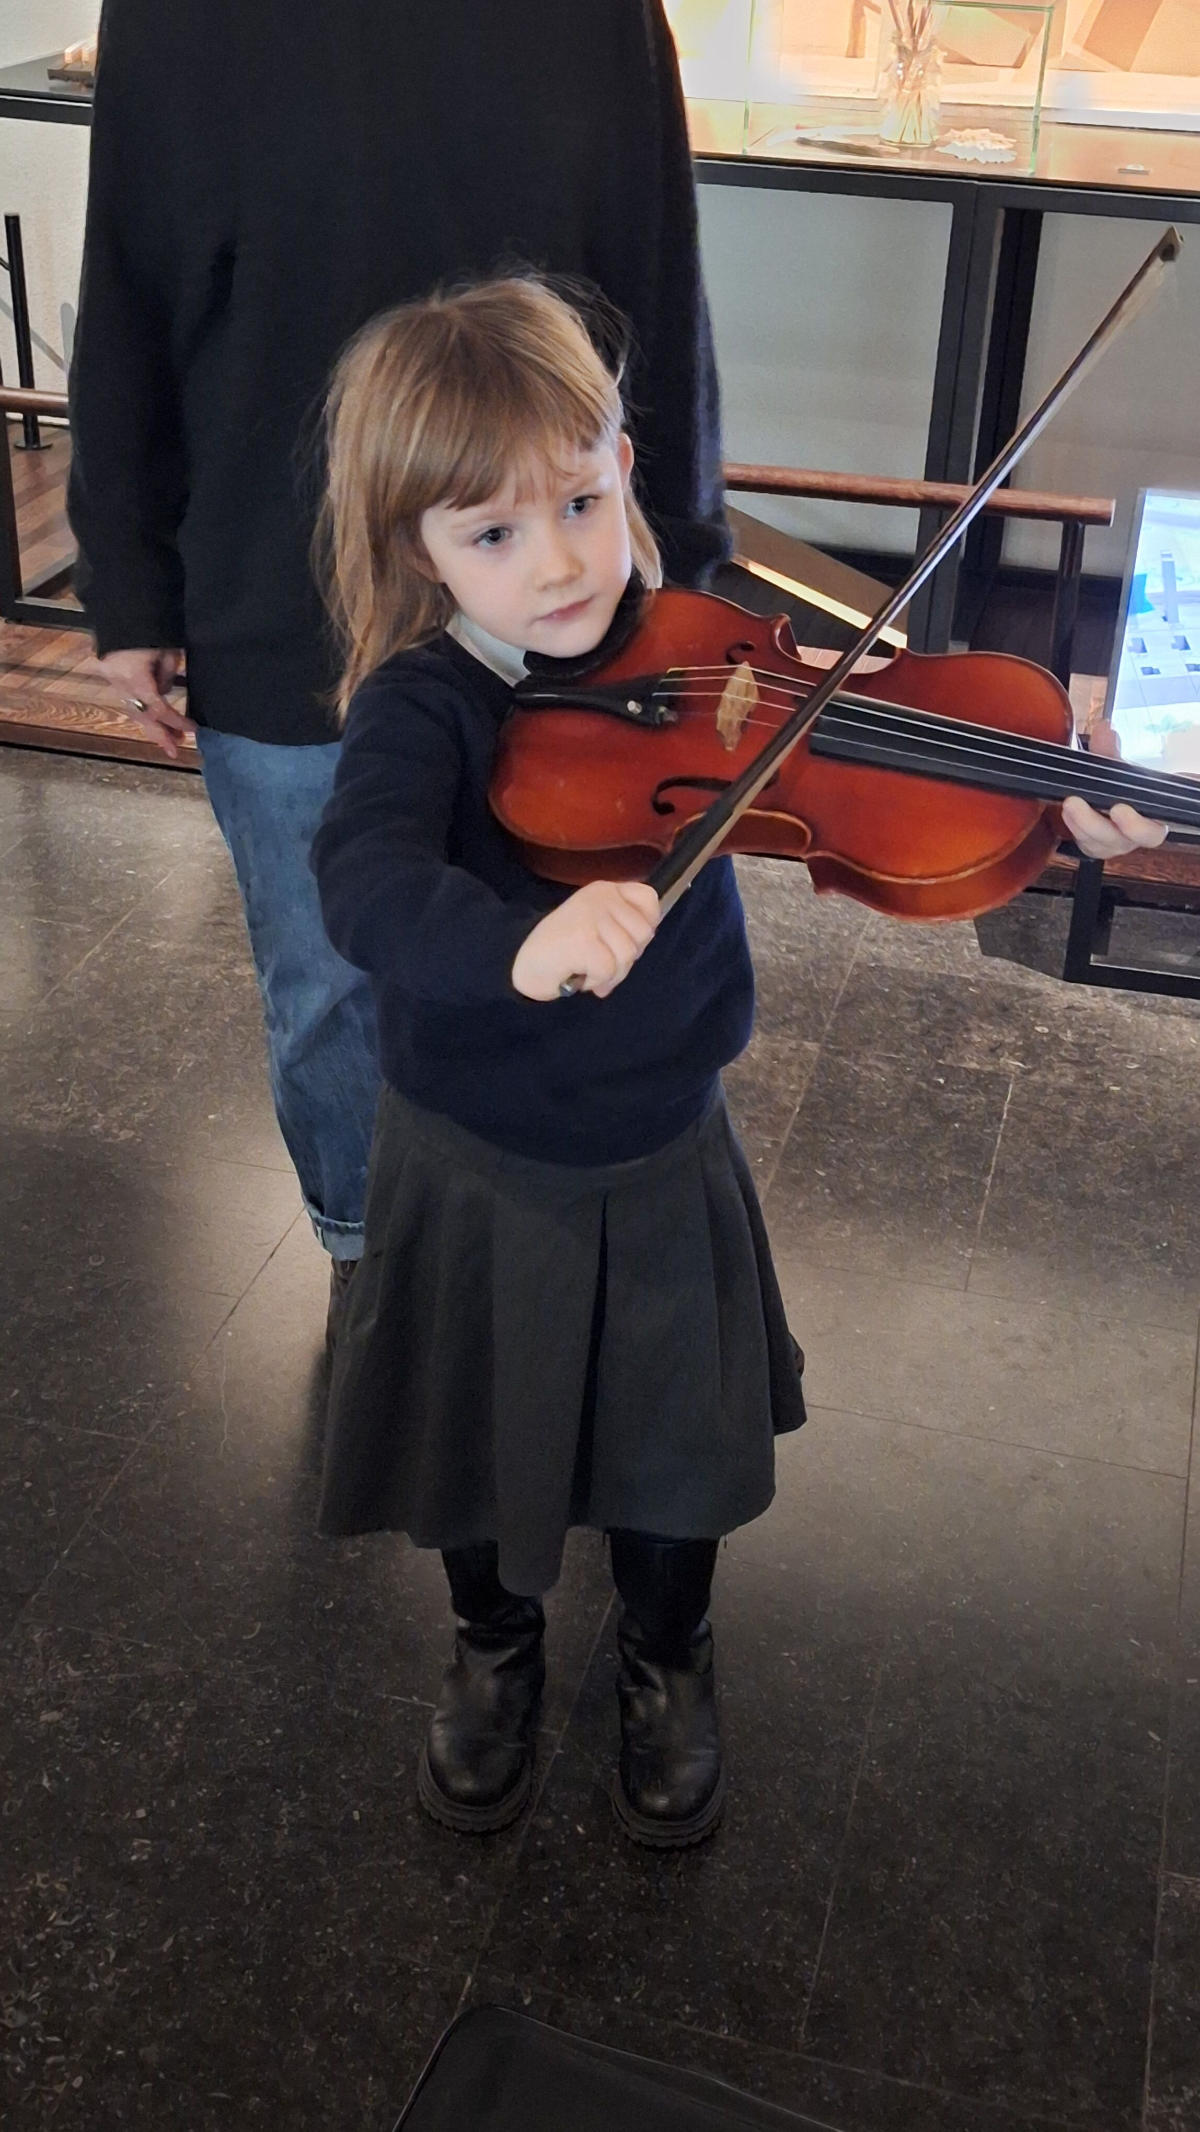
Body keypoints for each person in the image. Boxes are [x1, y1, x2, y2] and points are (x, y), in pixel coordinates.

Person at [309, 277, 1166, 1849]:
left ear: (626, 464)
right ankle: (493, 1644)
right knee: (480, 1440)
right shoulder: (427, 706)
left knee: (674, 1450)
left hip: (658, 1142)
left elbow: (894, 742)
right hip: (477, 1155)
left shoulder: (706, 650)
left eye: (582, 501)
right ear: (416, 549)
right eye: (493, 534)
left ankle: (668, 1652)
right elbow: (362, 880)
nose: (558, 563)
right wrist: (515, 944)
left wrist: (1059, 792)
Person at [66, 0, 728, 1343]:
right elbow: (130, 294)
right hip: (279, 576)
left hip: (565, 608)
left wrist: (686, 574)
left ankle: (555, 1287)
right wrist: (128, 580)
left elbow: (660, 288)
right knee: (330, 979)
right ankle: (383, 1290)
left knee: (579, 967)